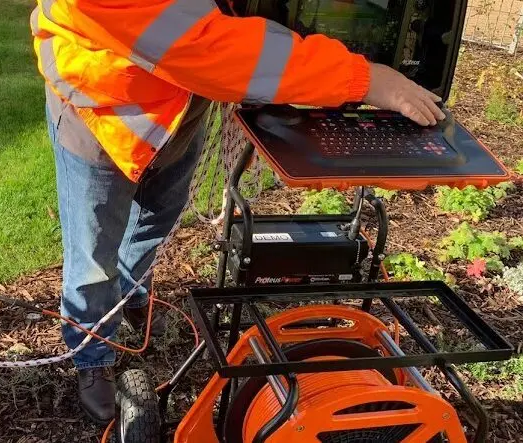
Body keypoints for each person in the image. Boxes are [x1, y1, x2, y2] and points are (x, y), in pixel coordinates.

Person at [30, 0, 445, 424]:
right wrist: (364, 79)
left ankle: (132, 296)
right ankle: (92, 354)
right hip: (102, 111)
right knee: (93, 257)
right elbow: (209, 48)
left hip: (177, 105)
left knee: (156, 219)